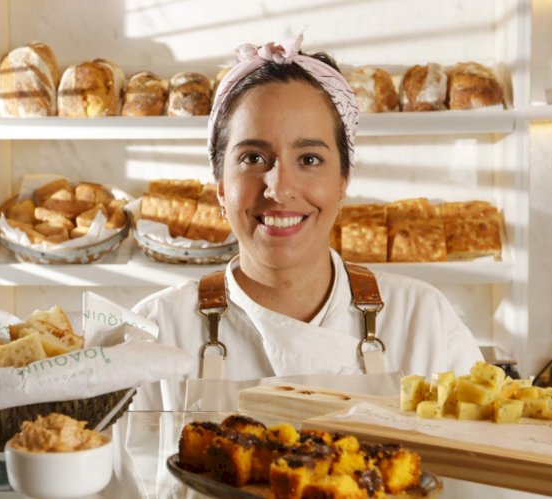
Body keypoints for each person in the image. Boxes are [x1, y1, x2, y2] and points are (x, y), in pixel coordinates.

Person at [132, 34, 482, 410]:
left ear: (343, 182)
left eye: (310, 159)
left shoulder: (422, 320)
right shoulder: (155, 332)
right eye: (252, 158)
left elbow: (480, 461)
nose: (280, 189)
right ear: (220, 186)